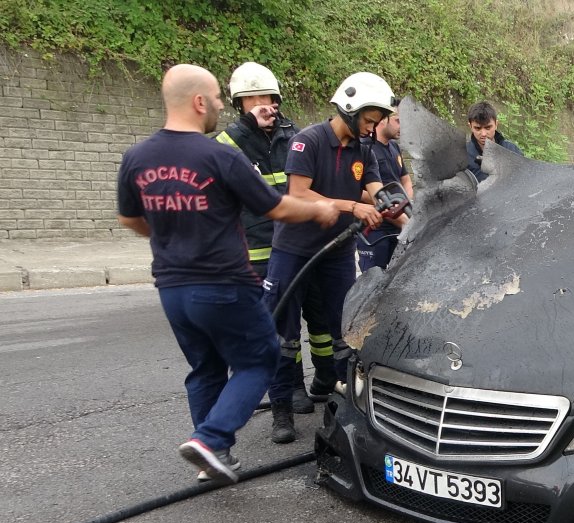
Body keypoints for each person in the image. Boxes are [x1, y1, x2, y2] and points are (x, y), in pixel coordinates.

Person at [115, 64, 339, 483]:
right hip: (223, 283)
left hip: (172, 288)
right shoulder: (219, 155)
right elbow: (276, 207)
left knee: (205, 369)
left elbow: (131, 220)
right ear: (199, 102)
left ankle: (214, 460)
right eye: (217, 97)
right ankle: (212, 439)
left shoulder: (136, 158)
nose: (220, 104)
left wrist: (170, 237)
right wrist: (323, 208)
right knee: (260, 359)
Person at [262, 71, 390, 444]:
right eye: (369, 120)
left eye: (377, 122)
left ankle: (346, 401)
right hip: (294, 250)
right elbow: (299, 194)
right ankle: (282, 408)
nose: (372, 128)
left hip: (336, 252)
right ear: (349, 110)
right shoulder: (308, 141)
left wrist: (396, 204)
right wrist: (352, 205)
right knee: (283, 331)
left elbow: (375, 190)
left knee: (345, 327)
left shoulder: (364, 149)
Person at [215, 61, 333, 418]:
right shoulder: (227, 144)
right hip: (258, 250)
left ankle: (327, 380)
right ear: (240, 105)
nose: (263, 105)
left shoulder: (295, 137)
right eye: (253, 99)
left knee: (322, 319)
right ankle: (290, 389)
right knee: (283, 326)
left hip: (303, 245)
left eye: (268, 97)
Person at [358, 100, 413, 271]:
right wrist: (392, 210)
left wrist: (404, 205)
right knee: (374, 281)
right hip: (375, 230)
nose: (402, 126)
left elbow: (405, 179)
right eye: (398, 120)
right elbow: (359, 191)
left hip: (399, 226)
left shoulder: (394, 147)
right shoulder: (365, 149)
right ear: (383, 119)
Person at [465, 100, 523, 182]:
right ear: (470, 126)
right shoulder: (463, 156)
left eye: (488, 127)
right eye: (478, 128)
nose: (483, 134)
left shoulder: (512, 150)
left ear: (496, 124)